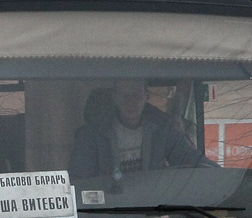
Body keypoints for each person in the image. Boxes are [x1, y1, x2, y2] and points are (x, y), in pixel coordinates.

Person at [69, 78, 209, 181]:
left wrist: (223, 177)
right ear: (115, 98)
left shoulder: (163, 127)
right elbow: (79, 181)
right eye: (124, 95)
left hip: (153, 210)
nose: (130, 101)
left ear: (146, 96)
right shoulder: (90, 136)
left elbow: (190, 160)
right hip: (108, 213)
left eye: (136, 94)